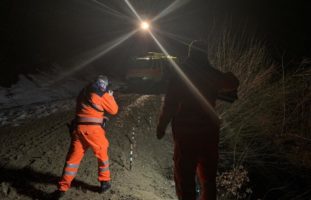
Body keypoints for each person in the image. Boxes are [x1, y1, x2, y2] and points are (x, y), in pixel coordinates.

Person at [156, 40, 239, 200]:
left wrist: (161, 127)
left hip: (186, 133)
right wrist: (225, 75)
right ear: (205, 55)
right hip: (209, 132)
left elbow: (170, 103)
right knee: (208, 179)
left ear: (190, 53)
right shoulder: (211, 74)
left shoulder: (181, 74)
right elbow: (234, 82)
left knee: (185, 178)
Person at [52, 75, 118, 199]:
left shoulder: (83, 92)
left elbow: (86, 110)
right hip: (93, 132)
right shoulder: (101, 94)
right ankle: (105, 182)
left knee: (72, 160)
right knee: (102, 154)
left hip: (78, 130)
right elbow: (114, 110)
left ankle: (62, 188)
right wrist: (110, 96)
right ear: (103, 84)